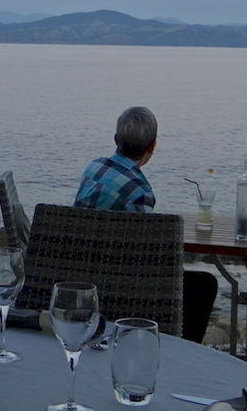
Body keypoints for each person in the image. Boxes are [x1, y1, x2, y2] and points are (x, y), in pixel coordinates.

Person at [73, 106, 218, 343]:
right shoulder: (140, 191)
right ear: (152, 146)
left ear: (116, 139)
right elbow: (143, 255)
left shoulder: (94, 168)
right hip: (117, 285)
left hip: (78, 272)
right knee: (204, 285)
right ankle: (184, 351)